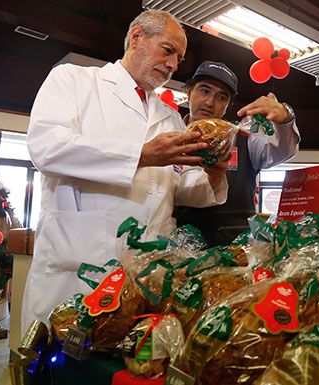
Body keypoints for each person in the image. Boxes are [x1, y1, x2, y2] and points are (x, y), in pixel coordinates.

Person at [22, 10, 229, 332]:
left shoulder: (170, 117)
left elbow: (180, 186)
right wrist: (142, 155)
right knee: (66, 358)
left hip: (148, 272)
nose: (174, 64)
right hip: (80, 262)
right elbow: (47, 148)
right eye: (168, 50)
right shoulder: (75, 81)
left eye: (179, 57)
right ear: (137, 38)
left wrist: (214, 175)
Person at [173, 61, 300, 246]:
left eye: (221, 97)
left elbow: (282, 151)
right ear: (189, 92)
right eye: (204, 90)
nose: (209, 102)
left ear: (228, 106)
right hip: (180, 250)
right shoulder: (170, 136)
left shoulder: (243, 138)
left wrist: (285, 118)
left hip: (235, 254)